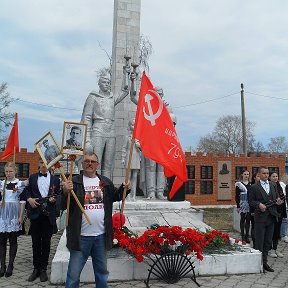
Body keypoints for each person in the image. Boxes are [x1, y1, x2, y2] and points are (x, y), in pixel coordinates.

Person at [62, 151, 130, 288]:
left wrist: (124, 188)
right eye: (87, 161)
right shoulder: (73, 182)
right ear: (82, 163)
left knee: (102, 273)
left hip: (101, 237)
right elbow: (62, 205)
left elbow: (116, 196)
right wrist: (65, 192)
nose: (89, 164)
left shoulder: (105, 182)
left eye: (93, 161)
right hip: (80, 237)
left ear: (97, 165)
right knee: (73, 275)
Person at [81, 69, 129, 179]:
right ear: (99, 84)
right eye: (104, 82)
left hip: (111, 132)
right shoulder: (93, 97)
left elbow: (125, 92)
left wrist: (125, 74)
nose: (107, 84)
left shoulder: (112, 98)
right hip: (98, 130)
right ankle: (94, 186)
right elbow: (87, 118)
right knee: (95, 161)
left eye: (108, 82)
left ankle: (106, 188)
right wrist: (87, 139)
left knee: (108, 164)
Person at [25, 158, 61, 282]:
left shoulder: (55, 179)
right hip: (35, 214)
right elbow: (27, 191)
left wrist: (54, 199)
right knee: (35, 242)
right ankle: (36, 268)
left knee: (46, 242)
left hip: (48, 215)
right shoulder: (33, 177)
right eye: (41, 163)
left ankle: (44, 269)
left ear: (49, 165)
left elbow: (58, 194)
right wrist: (29, 199)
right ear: (39, 164)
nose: (44, 166)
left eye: (46, 164)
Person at [130, 80, 166, 199]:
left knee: (161, 167)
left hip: (162, 142)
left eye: (161, 94)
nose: (159, 96)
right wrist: (132, 80)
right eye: (157, 93)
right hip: (150, 142)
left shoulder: (167, 109)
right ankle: (151, 191)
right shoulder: (147, 106)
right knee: (151, 166)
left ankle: (160, 191)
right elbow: (133, 97)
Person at [249, 167, 283, 272]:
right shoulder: (254, 187)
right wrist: (259, 204)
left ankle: (264, 263)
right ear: (259, 174)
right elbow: (251, 201)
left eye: (267, 173)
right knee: (259, 241)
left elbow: (276, 198)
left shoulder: (273, 185)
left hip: (271, 218)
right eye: (264, 173)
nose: (266, 175)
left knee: (268, 242)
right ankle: (257, 264)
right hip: (260, 218)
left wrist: (278, 202)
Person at [0, 162, 27, 277]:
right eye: (6, 171)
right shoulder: (1, 184)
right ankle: (2, 265)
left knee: (13, 240)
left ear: (15, 171)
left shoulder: (20, 184)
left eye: (10, 171)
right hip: (3, 214)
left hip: (14, 214)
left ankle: (10, 265)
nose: (8, 173)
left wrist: (20, 216)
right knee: (1, 241)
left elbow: (22, 202)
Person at [121, 119, 141, 201]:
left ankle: (133, 195)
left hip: (136, 155)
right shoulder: (127, 137)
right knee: (128, 176)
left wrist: (138, 144)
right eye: (132, 125)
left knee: (135, 176)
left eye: (135, 125)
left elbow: (141, 149)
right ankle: (127, 194)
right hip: (129, 155)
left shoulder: (138, 137)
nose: (134, 127)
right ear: (129, 126)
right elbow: (124, 148)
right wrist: (123, 158)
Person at [268, 172, 286, 258]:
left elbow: (282, 197)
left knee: (277, 232)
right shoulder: (268, 186)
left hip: (280, 212)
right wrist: (276, 202)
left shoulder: (279, 186)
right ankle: (269, 249)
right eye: (273, 176)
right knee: (271, 231)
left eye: (276, 176)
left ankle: (275, 248)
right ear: (270, 178)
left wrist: (282, 201)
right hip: (272, 212)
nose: (275, 178)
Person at [235, 170, 251, 244]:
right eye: (245, 174)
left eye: (247, 174)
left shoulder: (251, 184)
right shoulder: (239, 184)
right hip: (242, 203)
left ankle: (247, 236)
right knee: (242, 219)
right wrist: (238, 206)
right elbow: (237, 195)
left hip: (249, 203)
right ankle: (243, 237)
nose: (246, 175)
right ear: (242, 175)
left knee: (248, 220)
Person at [249, 172, 261, 247]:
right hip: (254, 210)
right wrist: (252, 211)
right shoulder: (252, 187)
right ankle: (254, 241)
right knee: (254, 226)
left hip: (261, 210)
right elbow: (250, 200)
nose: (259, 178)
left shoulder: (263, 186)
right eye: (258, 176)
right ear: (254, 178)